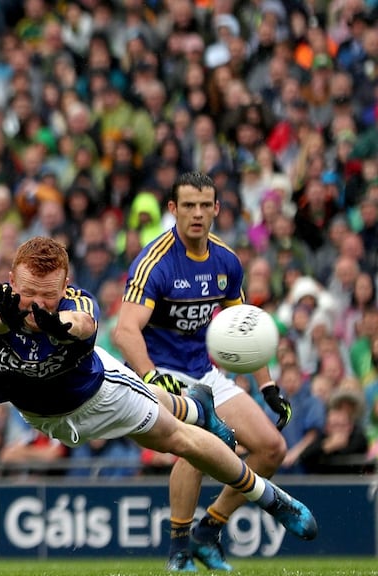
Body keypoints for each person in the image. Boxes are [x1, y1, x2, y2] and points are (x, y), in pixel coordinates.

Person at [0, 236, 317, 556]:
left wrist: (59, 323)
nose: (37, 304)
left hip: (101, 397)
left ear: (65, 286)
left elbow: (83, 323)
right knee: (164, 412)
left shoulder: (76, 303)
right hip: (39, 416)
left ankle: (273, 499)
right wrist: (5, 318)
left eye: (48, 295)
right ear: (11, 281)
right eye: (28, 292)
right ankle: (197, 406)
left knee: (179, 440)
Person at [112, 171, 293, 572]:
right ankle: (178, 550)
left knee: (271, 448)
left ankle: (208, 530)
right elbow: (124, 331)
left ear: (216, 209)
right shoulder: (155, 261)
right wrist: (150, 377)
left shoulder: (227, 261)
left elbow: (243, 329)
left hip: (205, 374)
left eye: (204, 205)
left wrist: (268, 386)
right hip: (159, 376)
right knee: (195, 446)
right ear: (173, 209)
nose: (197, 213)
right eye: (188, 205)